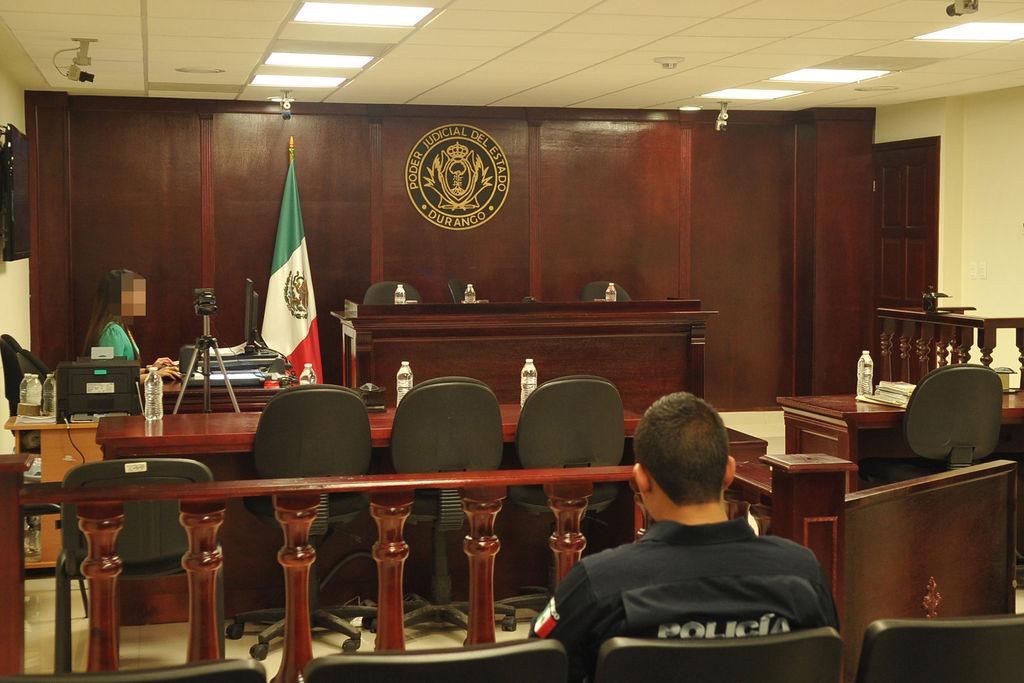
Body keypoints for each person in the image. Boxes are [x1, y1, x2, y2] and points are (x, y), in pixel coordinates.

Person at [530, 391, 838, 683]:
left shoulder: (597, 583)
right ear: (729, 472)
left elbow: (534, 667)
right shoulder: (801, 572)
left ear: (641, 480)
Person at [81, 269, 181, 379]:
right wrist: (154, 375)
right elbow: (112, 377)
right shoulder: (112, 332)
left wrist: (151, 369)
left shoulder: (118, 327)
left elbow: (123, 371)